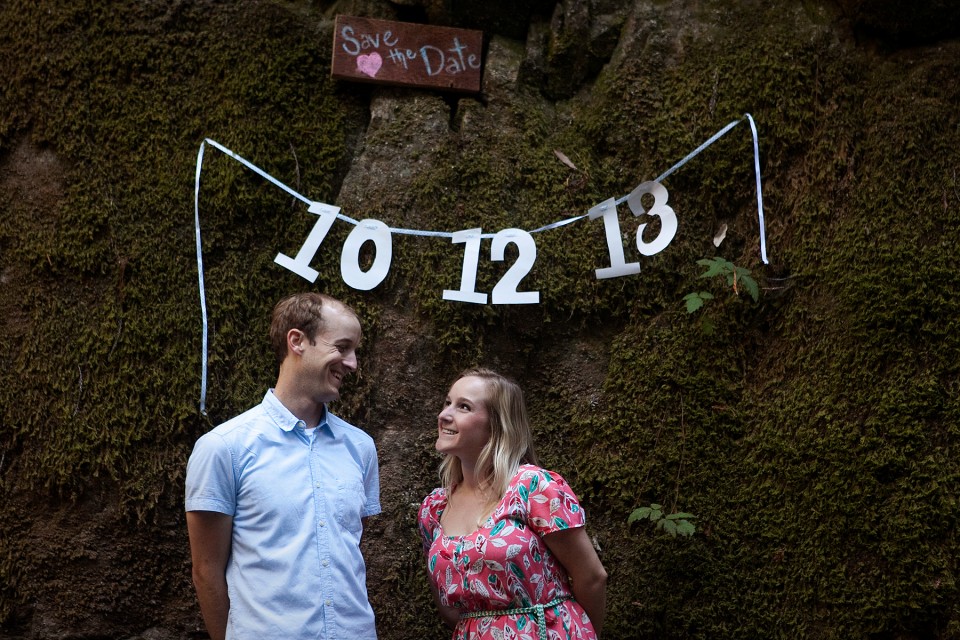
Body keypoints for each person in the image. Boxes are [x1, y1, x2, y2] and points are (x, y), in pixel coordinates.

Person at [185, 292, 380, 640]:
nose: (352, 363)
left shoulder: (360, 448)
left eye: (354, 351)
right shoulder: (224, 448)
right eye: (342, 347)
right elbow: (206, 569)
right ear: (297, 341)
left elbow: (349, 546)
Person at [418, 368, 607, 640]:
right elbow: (448, 606)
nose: (444, 414)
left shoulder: (533, 488)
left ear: (496, 425)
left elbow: (591, 578)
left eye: (464, 407)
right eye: (448, 403)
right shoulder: (434, 508)